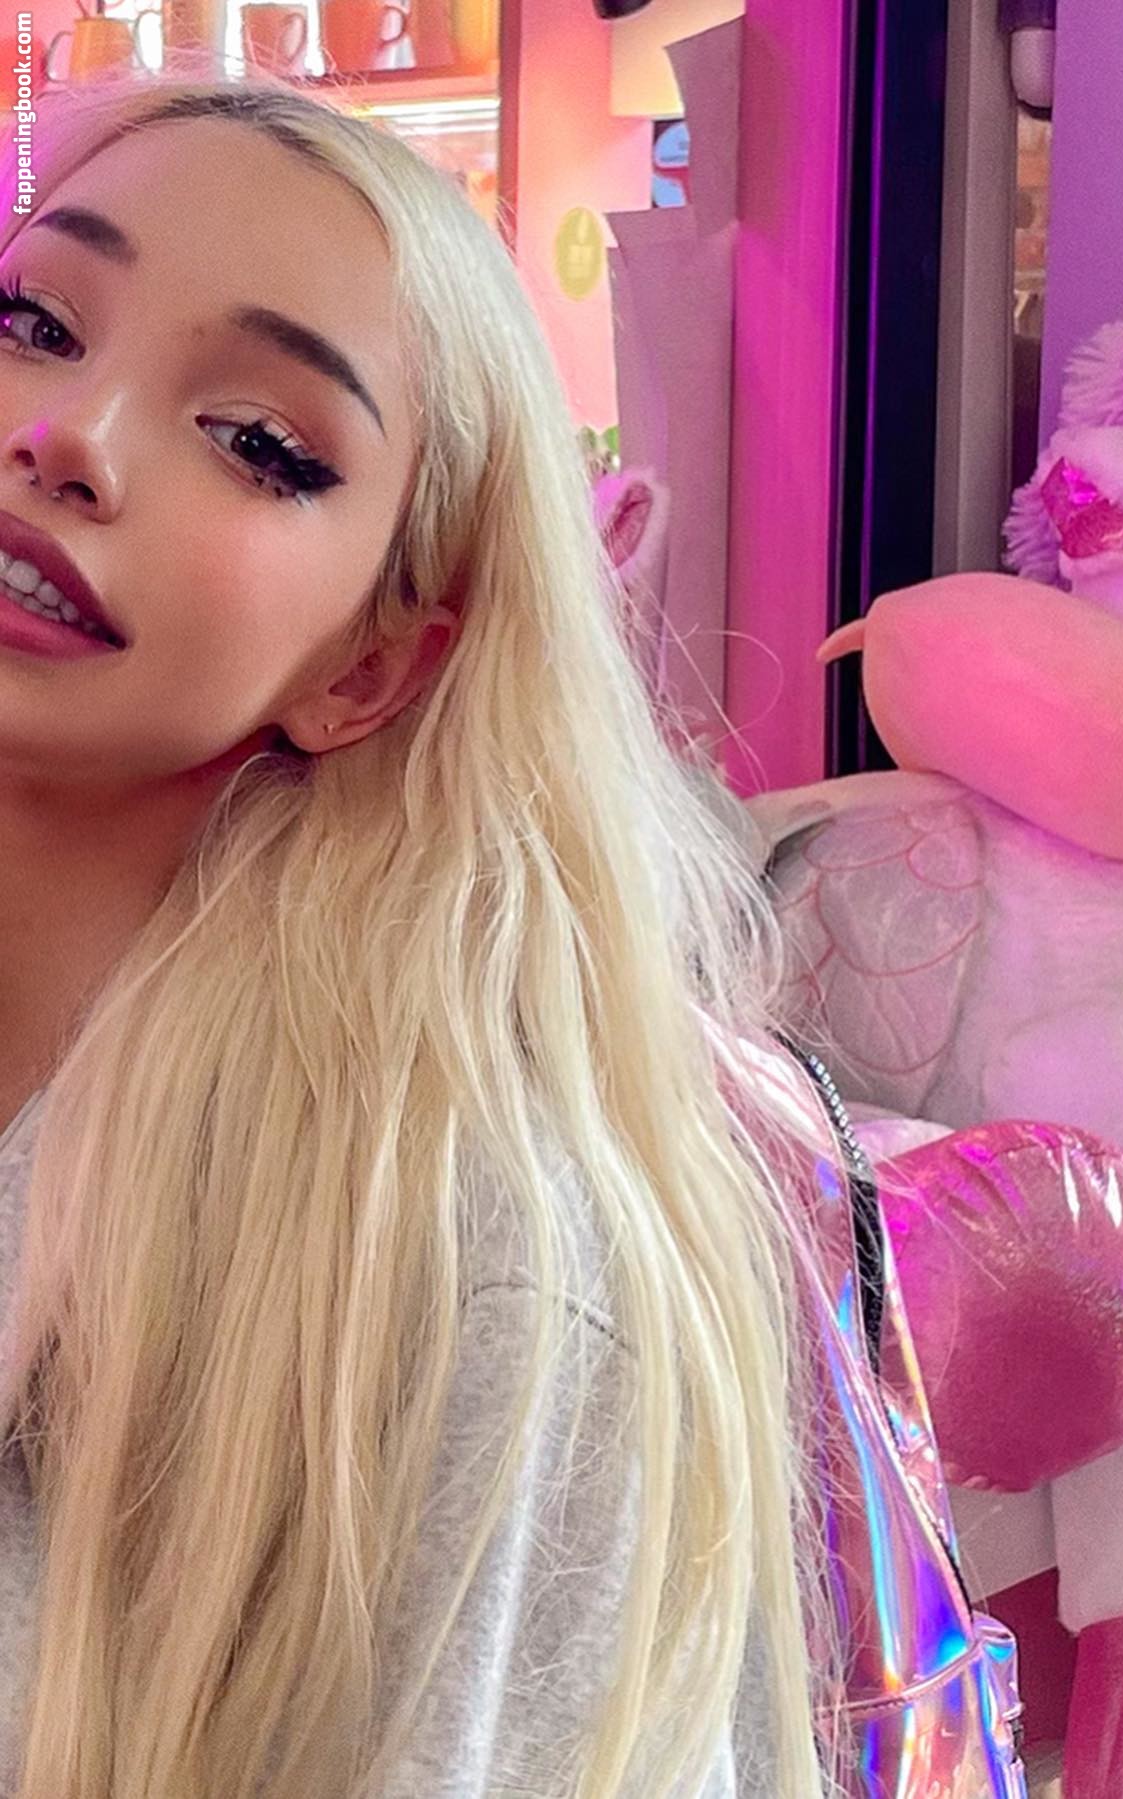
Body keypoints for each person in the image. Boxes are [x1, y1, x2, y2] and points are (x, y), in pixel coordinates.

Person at [0, 69, 847, 1798]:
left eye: (261, 441)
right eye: (34, 323)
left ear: (373, 666)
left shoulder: (468, 1270)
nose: (69, 436)